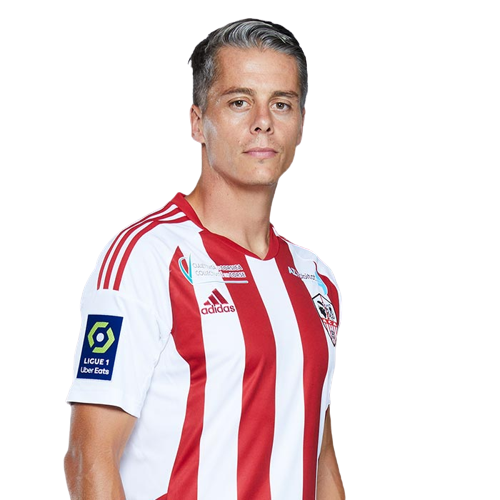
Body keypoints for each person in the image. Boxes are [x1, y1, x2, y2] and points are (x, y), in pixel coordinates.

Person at [63, 18, 345, 500]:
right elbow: (90, 457)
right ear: (197, 122)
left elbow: (317, 454)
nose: (263, 121)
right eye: (239, 102)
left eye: (281, 103)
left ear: (301, 124)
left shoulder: (316, 277)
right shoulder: (145, 257)